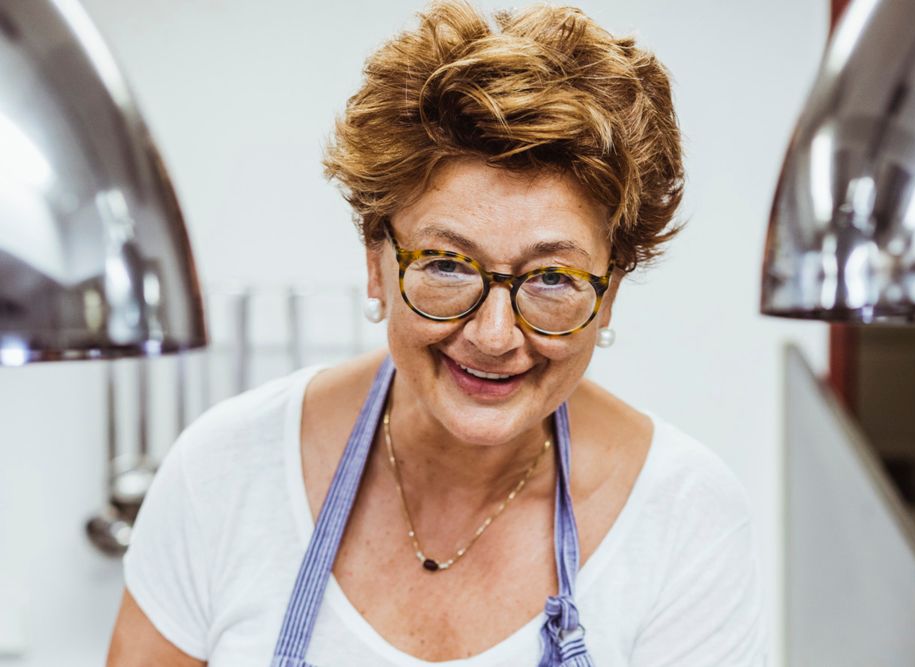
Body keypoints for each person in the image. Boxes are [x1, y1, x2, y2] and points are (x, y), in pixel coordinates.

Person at [106, 1, 764, 665]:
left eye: (553, 277)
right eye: (447, 263)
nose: (495, 333)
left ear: (610, 291)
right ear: (376, 261)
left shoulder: (684, 517)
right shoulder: (223, 474)